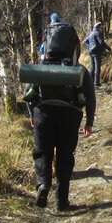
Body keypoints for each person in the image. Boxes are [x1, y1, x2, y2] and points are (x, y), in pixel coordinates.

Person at [25, 16, 94, 212]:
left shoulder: (41, 68)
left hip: (43, 113)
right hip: (70, 115)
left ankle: (43, 185)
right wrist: (89, 121)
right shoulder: (79, 70)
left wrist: (32, 114)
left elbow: (29, 94)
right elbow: (90, 96)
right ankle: (62, 200)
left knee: (42, 153)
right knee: (65, 157)